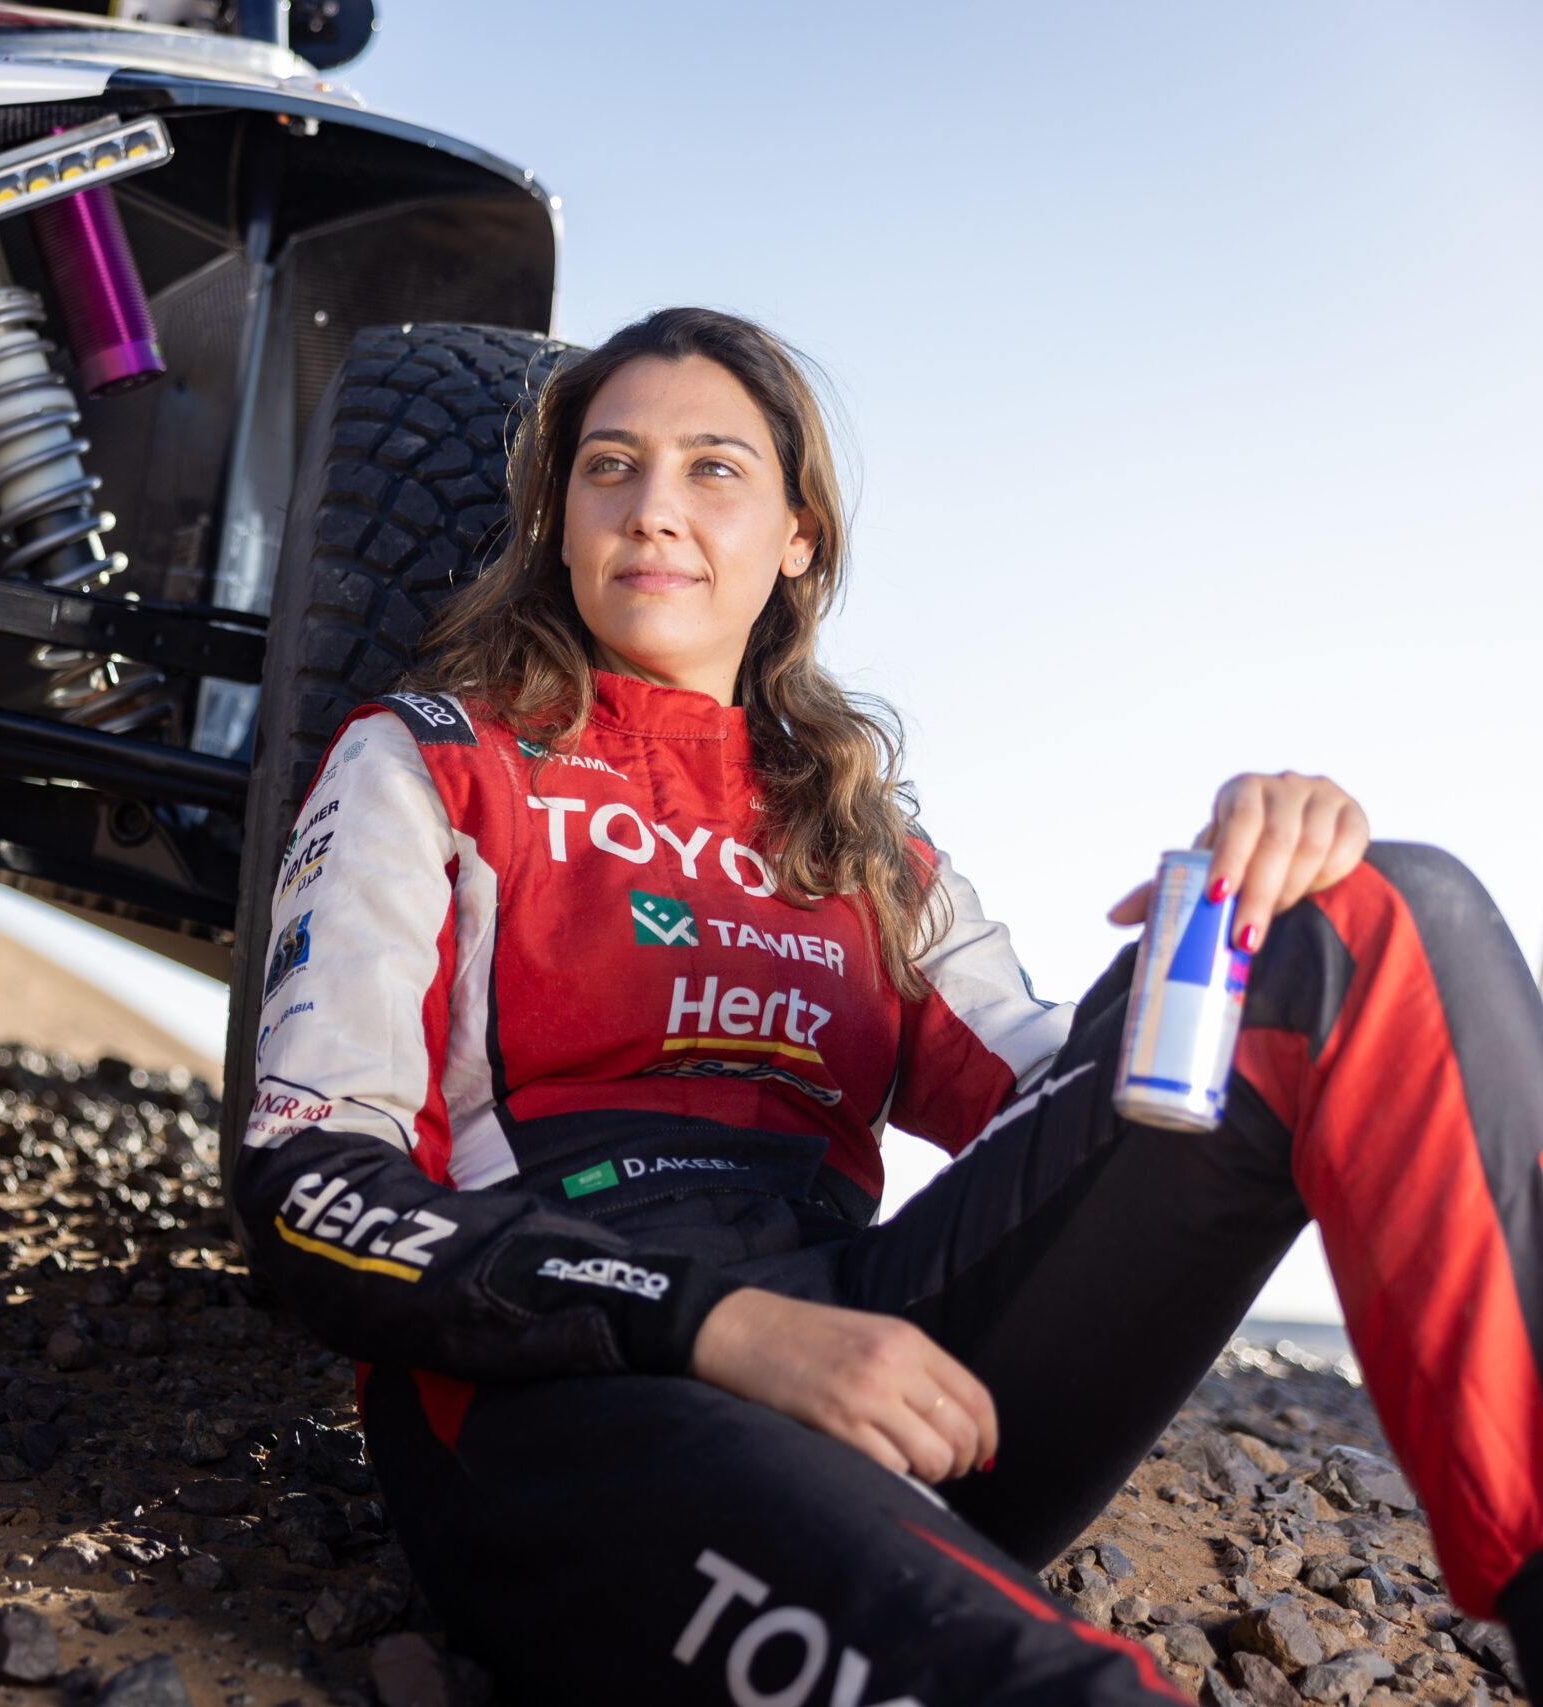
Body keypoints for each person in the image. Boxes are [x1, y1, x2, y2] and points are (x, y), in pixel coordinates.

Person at [231, 306, 1543, 1703]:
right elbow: (309, 1184)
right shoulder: (427, 760)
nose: (653, 508)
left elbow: (1076, 1112)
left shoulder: (862, 843)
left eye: (713, 468)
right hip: (570, 1386)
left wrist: (1239, 913)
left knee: (1378, 912)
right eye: (610, 467)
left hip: (870, 1353)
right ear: (560, 523)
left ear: (798, 536)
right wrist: (712, 1326)